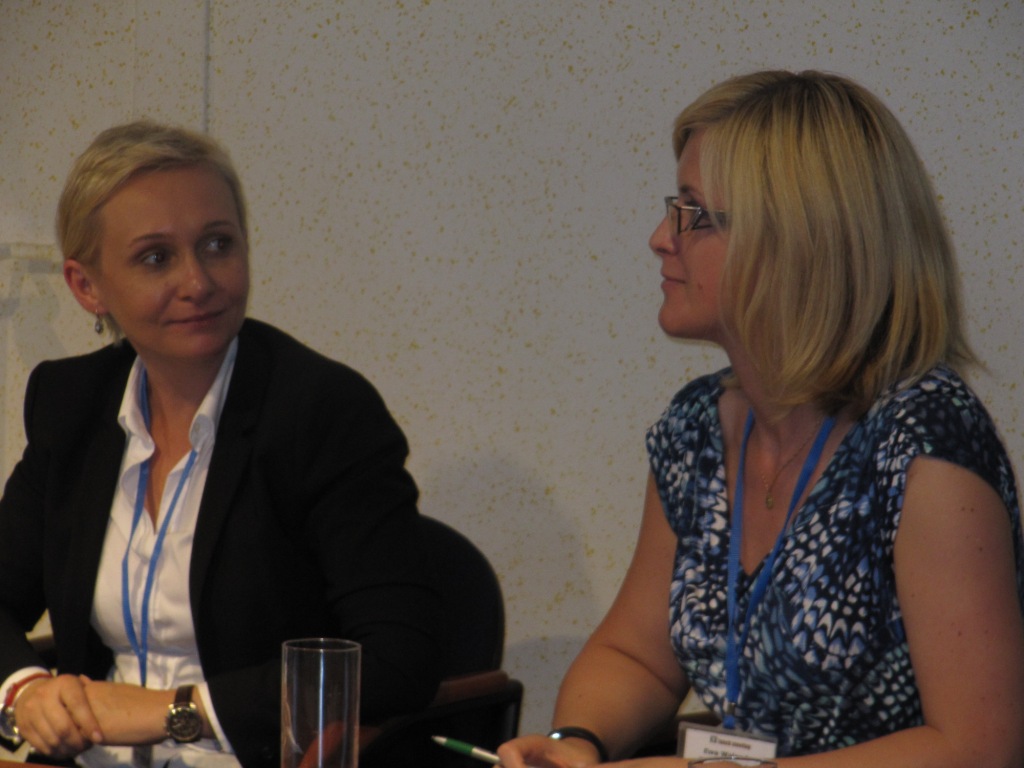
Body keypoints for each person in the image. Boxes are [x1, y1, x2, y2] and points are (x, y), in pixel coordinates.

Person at [498, 70, 1024, 768]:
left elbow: (979, 748)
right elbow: (636, 655)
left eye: (694, 213)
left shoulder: (925, 445)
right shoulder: (698, 428)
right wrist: (576, 742)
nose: (660, 238)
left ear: (797, 242)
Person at [0, 121, 442, 768]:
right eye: (156, 258)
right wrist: (25, 689)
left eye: (217, 244)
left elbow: (399, 660)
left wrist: (174, 712)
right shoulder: (71, 404)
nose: (198, 281)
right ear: (86, 286)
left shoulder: (322, 412)